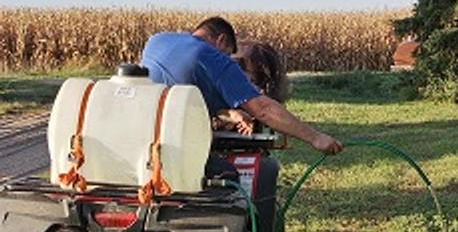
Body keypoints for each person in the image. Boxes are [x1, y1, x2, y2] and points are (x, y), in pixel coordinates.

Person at [141, 16, 342, 155]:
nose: (227, 58)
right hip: (175, 148)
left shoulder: (156, 40)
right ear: (221, 40)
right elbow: (264, 110)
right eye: (228, 53)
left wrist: (228, 113)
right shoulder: (213, 58)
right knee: (230, 178)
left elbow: (177, 94)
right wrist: (316, 138)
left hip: (143, 137)